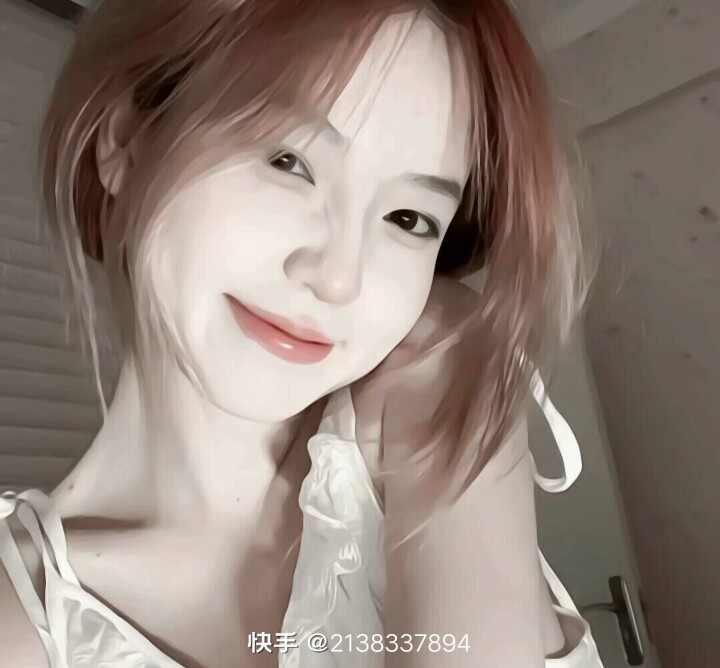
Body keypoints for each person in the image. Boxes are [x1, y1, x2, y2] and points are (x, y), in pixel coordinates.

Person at [0, 0, 603, 666]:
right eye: (288, 160)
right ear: (128, 140)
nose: (339, 277)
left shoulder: (429, 377)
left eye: (408, 218)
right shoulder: (25, 608)